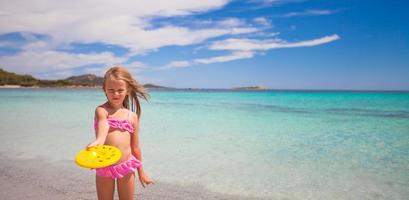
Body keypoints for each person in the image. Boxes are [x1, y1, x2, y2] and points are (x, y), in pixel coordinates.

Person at [86, 66, 154, 200]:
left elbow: (135, 147)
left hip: (126, 166)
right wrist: (99, 140)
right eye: (111, 90)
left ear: (127, 90)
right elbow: (103, 124)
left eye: (120, 90)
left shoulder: (132, 116)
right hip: (104, 166)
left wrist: (141, 172)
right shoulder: (101, 110)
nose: (115, 94)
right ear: (104, 89)